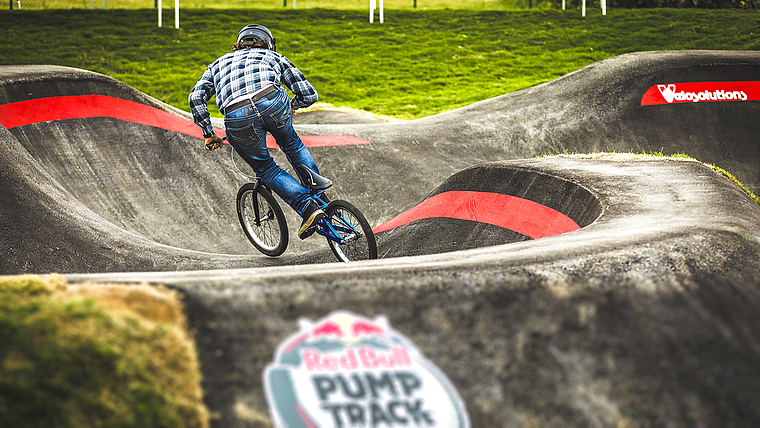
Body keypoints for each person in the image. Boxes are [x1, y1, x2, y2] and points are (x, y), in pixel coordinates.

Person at [189, 24, 327, 240]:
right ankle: (320, 197)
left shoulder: (217, 64)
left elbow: (195, 98)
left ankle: (308, 209)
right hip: (272, 100)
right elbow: (309, 94)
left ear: (238, 44)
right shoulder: (273, 56)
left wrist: (209, 133)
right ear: (269, 44)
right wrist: (291, 105)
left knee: (265, 168)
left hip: (237, 115)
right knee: (292, 144)